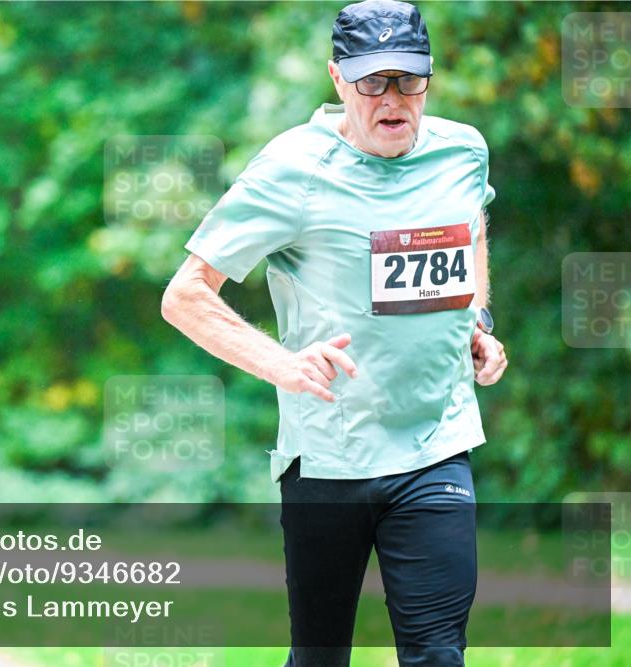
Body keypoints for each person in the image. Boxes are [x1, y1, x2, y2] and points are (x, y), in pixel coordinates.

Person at [161, 1, 507, 665]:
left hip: (436, 445)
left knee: (439, 654)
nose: (392, 99)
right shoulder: (294, 168)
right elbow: (185, 296)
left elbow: (472, 224)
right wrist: (283, 365)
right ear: (338, 79)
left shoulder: (463, 150)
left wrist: (477, 319)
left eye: (407, 80)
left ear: (428, 78)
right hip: (331, 459)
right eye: (372, 81)